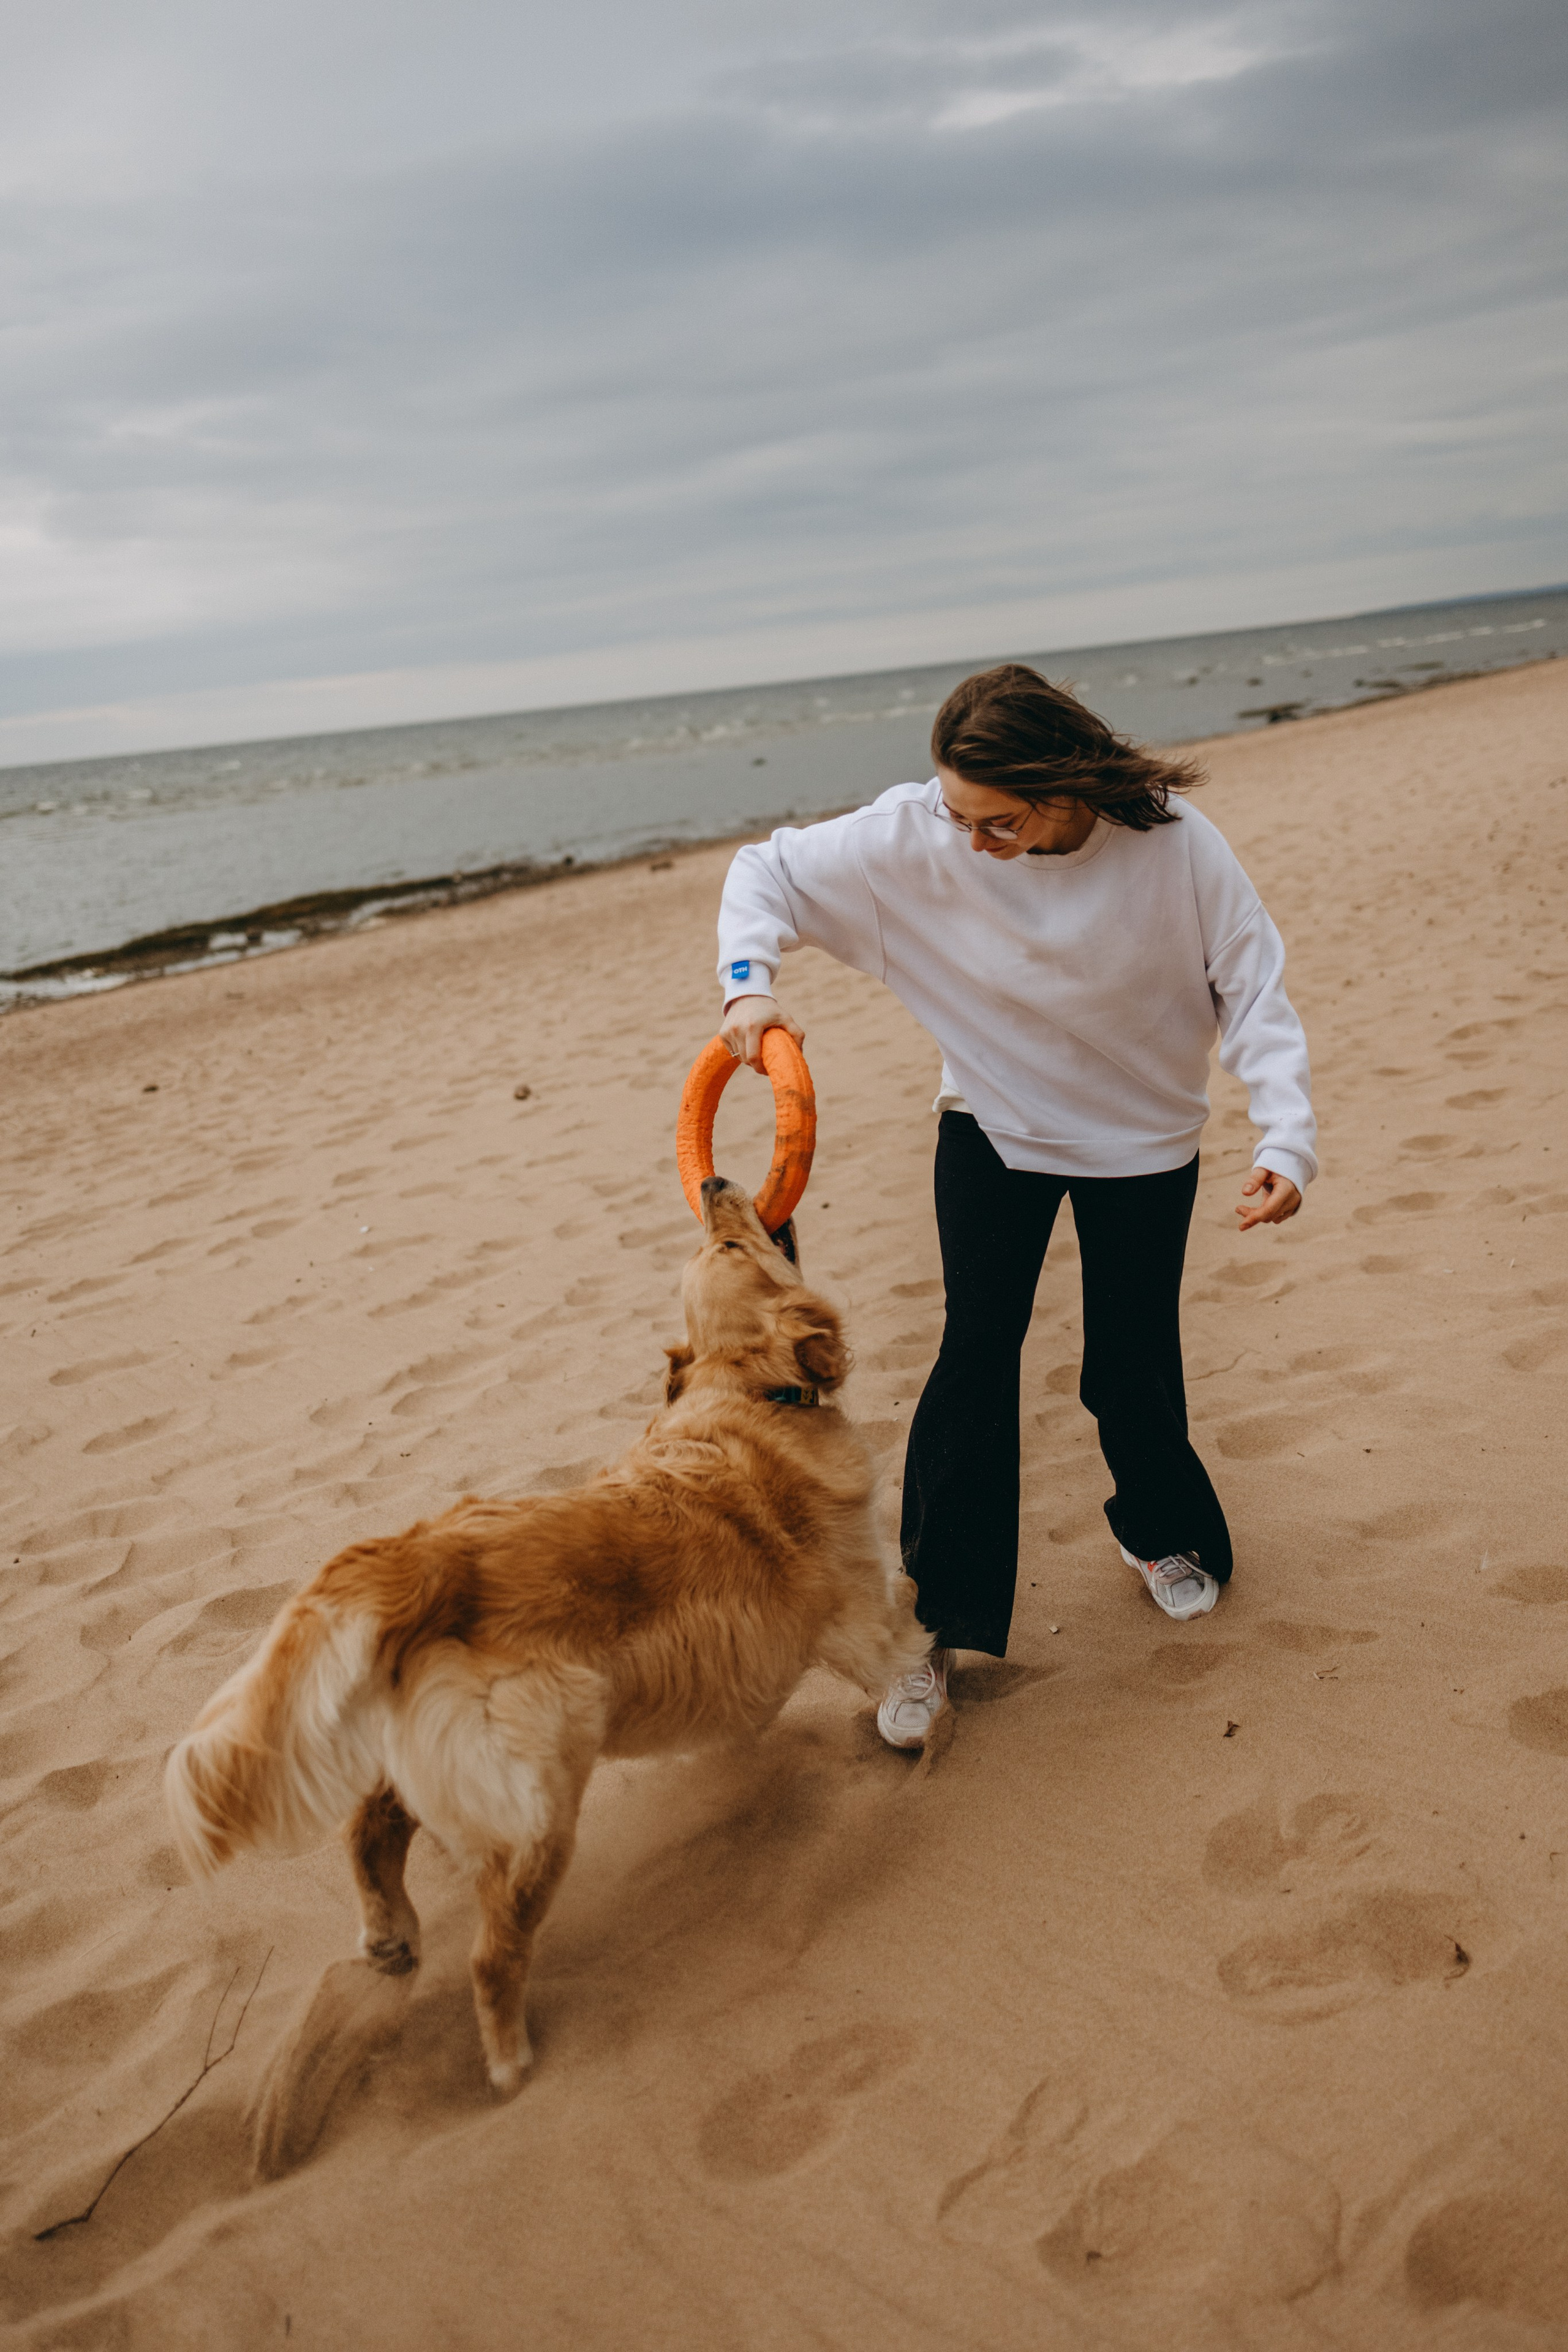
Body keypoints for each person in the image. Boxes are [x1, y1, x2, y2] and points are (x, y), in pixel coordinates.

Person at [715, 663, 1315, 1751]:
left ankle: (1159, 1532)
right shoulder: (922, 836)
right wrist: (749, 987)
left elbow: (1253, 986)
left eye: (1000, 821)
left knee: (1132, 1356)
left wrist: (1286, 1136)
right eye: (960, 816)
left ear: (1065, 783)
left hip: (1144, 1138)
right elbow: (769, 870)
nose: (974, 842)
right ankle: (928, 1628)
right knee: (977, 1355)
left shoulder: (1176, 846)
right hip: (993, 1124)